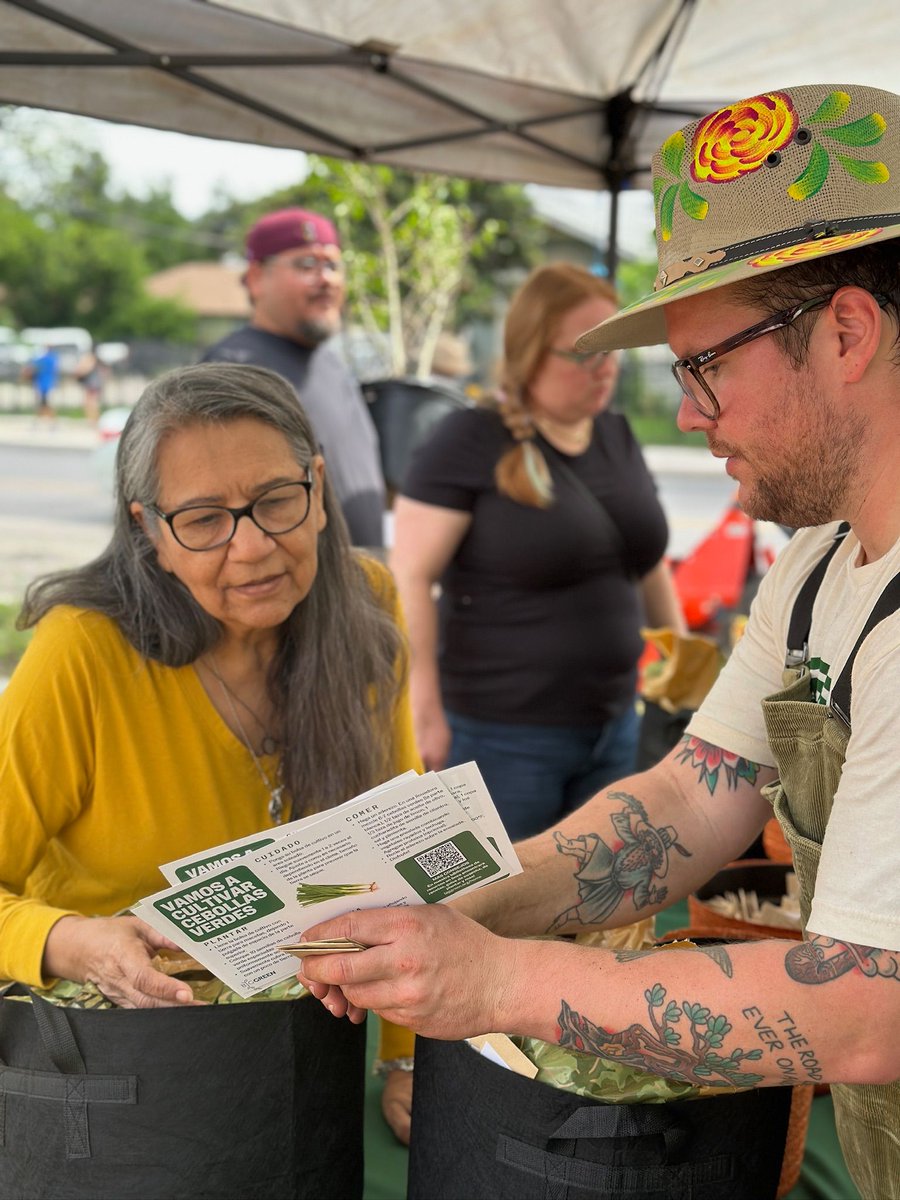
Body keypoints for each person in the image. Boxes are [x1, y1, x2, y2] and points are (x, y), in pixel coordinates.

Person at [299, 82, 900, 1200]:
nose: (686, 411)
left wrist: (498, 982)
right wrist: (455, 913)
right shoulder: (821, 568)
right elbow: (683, 805)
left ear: (848, 332)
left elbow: (867, 1005)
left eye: (707, 362)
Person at [0, 362, 417, 1145]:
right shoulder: (80, 653)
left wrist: (404, 1061)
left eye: (275, 501)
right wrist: (70, 942)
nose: (253, 546)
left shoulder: (368, 606)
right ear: (149, 534)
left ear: (319, 490)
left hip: (307, 1066)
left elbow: (404, 846)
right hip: (117, 1085)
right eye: (203, 519)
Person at [390, 263, 684, 839]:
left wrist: (687, 665)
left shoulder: (615, 434)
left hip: (616, 724)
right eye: (584, 353)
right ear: (529, 351)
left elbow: (645, 563)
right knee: (500, 907)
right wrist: (423, 710)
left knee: (603, 907)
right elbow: (409, 577)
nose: (605, 369)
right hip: (502, 738)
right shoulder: (469, 439)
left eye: (612, 350)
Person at [202, 207, 386, 548]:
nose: (326, 279)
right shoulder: (236, 370)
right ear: (257, 279)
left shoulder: (330, 362)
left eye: (332, 265)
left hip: (360, 585)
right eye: (306, 265)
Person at [26, 344, 58, 422]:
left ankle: (47, 420)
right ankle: (42, 420)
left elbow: (30, 369)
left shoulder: (42, 359)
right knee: (44, 403)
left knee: (44, 403)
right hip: (47, 384)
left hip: (43, 384)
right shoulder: (52, 358)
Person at [74, 342, 105, 425]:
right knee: (89, 403)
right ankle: (93, 420)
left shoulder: (91, 358)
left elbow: (86, 369)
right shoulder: (95, 358)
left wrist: (78, 373)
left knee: (91, 403)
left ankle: (94, 421)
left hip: (93, 383)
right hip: (92, 383)